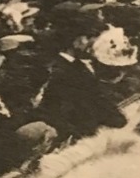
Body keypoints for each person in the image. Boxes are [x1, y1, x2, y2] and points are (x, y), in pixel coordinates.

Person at [32, 8, 127, 143]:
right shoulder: (61, 70)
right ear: (75, 39)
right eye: (88, 38)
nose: (91, 43)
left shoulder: (76, 66)